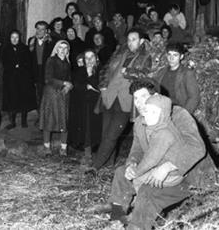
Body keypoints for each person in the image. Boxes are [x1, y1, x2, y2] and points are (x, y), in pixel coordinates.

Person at [88, 90, 207, 230]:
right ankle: (117, 216)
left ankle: (137, 223)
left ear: (155, 96)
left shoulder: (178, 115)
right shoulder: (141, 121)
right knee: (122, 173)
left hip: (182, 174)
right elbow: (137, 150)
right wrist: (132, 164)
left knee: (148, 191)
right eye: (136, 98)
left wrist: (168, 167)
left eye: (143, 97)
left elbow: (197, 148)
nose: (139, 102)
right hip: (154, 167)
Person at [87, 28, 155, 171]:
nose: (130, 43)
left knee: (111, 135)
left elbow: (146, 76)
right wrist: (103, 86)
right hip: (110, 97)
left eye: (134, 39)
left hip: (126, 100)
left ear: (141, 41)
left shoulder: (146, 57)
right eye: (129, 40)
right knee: (106, 133)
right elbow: (105, 69)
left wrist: (129, 72)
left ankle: (95, 166)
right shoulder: (120, 52)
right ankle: (108, 165)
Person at [38, 40, 73, 156]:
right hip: (51, 93)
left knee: (64, 120)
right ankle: (46, 147)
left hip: (63, 94)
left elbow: (70, 79)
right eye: (60, 48)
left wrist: (69, 86)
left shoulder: (68, 63)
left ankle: (63, 148)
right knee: (49, 119)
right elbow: (48, 79)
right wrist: (64, 83)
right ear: (56, 49)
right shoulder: (51, 60)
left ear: (68, 50)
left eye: (65, 48)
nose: (63, 50)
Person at [68, 49, 102, 163]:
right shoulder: (79, 71)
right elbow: (76, 85)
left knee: (96, 129)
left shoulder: (101, 71)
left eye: (92, 57)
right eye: (86, 58)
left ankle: (97, 152)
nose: (89, 60)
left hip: (97, 105)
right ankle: (88, 154)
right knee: (86, 129)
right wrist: (86, 86)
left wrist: (92, 85)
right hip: (83, 105)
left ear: (96, 58)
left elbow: (101, 86)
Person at [2, 30, 37, 129]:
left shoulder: (25, 49)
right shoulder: (6, 49)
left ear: (19, 38)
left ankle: (23, 121)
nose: (14, 39)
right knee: (12, 99)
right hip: (11, 78)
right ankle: (12, 122)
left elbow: (28, 63)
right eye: (12, 37)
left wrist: (19, 66)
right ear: (10, 38)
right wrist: (15, 65)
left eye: (16, 37)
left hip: (23, 78)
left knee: (23, 99)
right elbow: (5, 63)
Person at [153, 43, 200, 114]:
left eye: (175, 55)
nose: (171, 58)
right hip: (161, 109)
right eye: (169, 54)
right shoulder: (161, 72)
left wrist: (184, 114)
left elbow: (194, 97)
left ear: (181, 56)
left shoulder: (186, 73)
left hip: (177, 110)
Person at [28, 21, 54, 108]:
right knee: (37, 94)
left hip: (46, 70)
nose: (40, 31)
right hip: (35, 70)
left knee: (45, 93)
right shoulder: (31, 41)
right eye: (38, 29)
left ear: (46, 31)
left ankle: (45, 114)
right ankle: (39, 114)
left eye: (42, 29)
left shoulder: (50, 42)